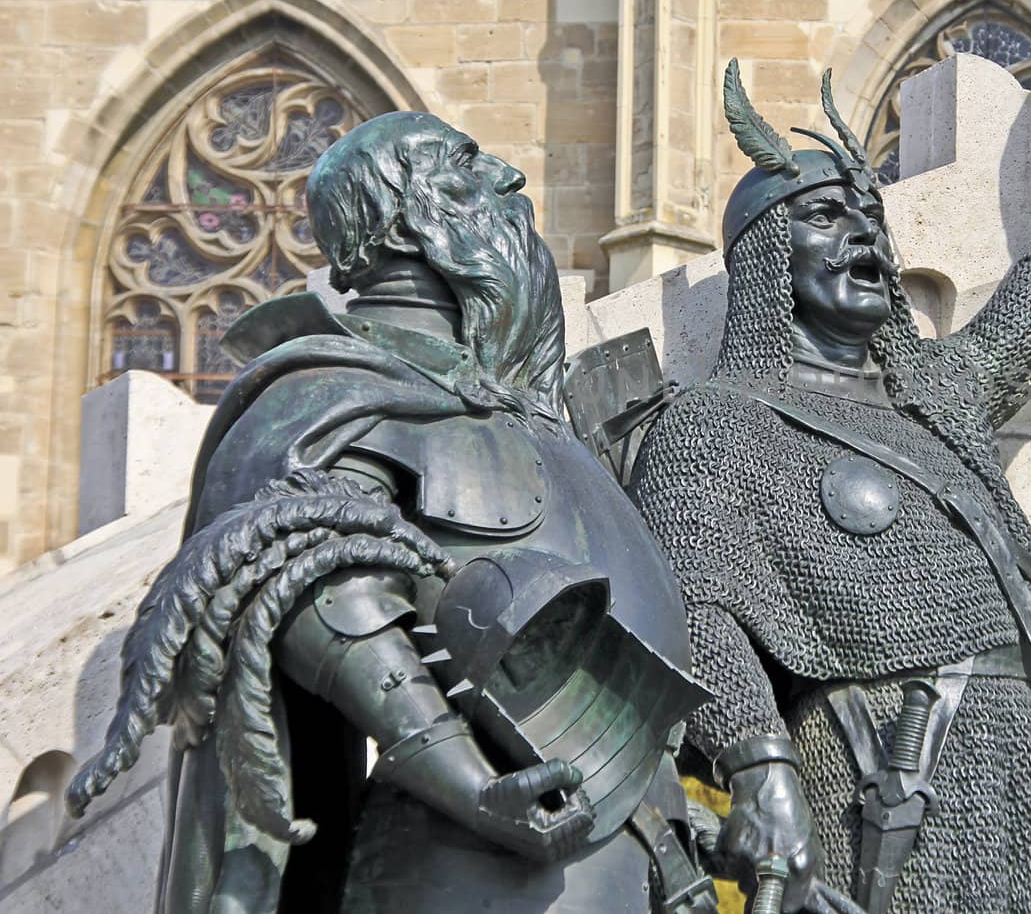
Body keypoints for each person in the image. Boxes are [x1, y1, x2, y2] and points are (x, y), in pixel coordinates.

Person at [630, 0, 1031, 913]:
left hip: (1018, 795)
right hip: (882, 791)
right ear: (764, 257)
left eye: (871, 216)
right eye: (825, 217)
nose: (864, 237)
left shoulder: (942, 392)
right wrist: (758, 760)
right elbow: (695, 607)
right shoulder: (716, 426)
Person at [66, 112, 721, 914]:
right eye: (471, 167)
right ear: (411, 221)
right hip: (465, 869)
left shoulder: (527, 422)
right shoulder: (325, 391)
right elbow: (307, 576)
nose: (511, 182)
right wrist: (467, 778)